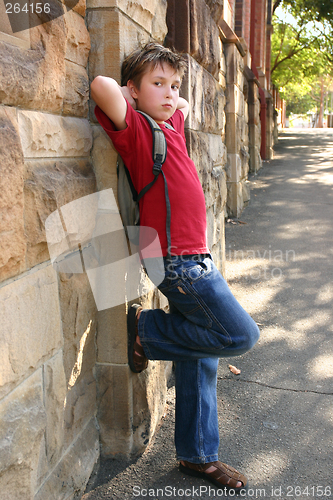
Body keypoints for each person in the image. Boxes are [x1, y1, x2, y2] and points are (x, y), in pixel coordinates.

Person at [91, 42, 260, 494]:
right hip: (178, 263)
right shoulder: (136, 131)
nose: (170, 94)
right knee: (241, 335)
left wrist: (167, 95)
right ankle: (147, 331)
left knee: (201, 356)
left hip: (194, 256)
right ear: (135, 90)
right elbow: (100, 85)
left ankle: (196, 455)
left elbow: (180, 102)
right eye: (157, 84)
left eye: (174, 85)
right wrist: (129, 96)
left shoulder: (172, 123)